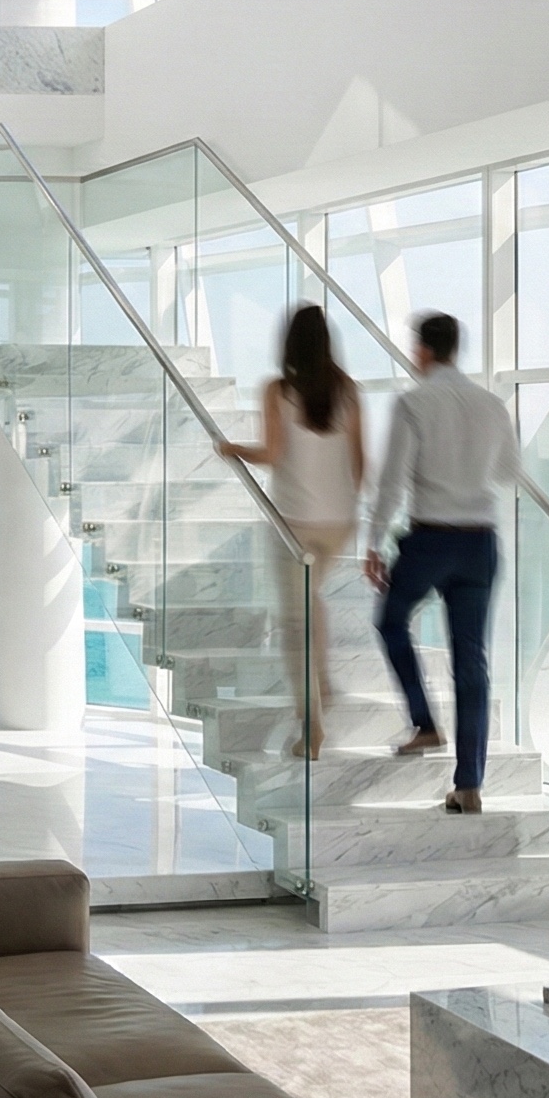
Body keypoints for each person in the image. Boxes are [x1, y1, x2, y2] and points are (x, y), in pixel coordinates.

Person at [363, 312, 519, 814]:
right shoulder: (492, 405)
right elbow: (508, 471)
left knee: (391, 621)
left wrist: (373, 542)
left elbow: (392, 481)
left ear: (423, 350)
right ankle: (469, 784)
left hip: (431, 538)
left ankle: (425, 723)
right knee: (472, 661)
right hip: (481, 542)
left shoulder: (414, 402)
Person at [218, 303, 364, 760]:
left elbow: (272, 454)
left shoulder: (278, 390)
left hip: (295, 525)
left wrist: (232, 449)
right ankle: (322, 680)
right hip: (339, 522)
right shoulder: (348, 390)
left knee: (293, 624)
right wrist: (348, 506)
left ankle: (312, 726)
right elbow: (360, 461)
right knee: (310, 597)